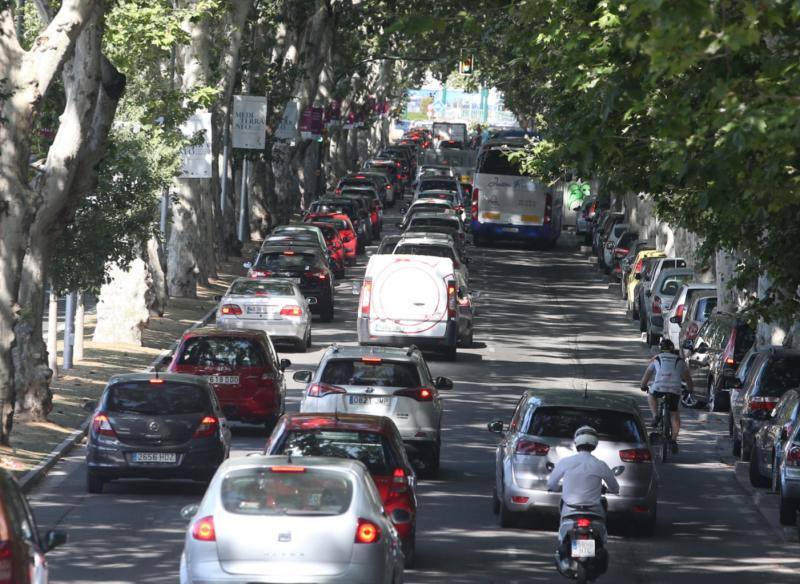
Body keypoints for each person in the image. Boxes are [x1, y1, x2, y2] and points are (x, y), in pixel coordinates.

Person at [547, 426, 619, 569]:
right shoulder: (600, 465)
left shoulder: (566, 462)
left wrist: (555, 488)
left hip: (570, 510)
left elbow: (551, 483)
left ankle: (564, 545)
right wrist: (610, 490)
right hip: (594, 510)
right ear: (595, 444)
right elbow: (614, 487)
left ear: (576, 442)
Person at [640, 338, 693, 453]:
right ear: (672, 349)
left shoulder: (656, 358)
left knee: (651, 394)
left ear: (661, 349)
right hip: (675, 389)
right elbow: (688, 377)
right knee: (675, 414)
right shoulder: (680, 360)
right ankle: (673, 440)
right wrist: (690, 389)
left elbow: (647, 374)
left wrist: (643, 385)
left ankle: (655, 416)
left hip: (659, 387)